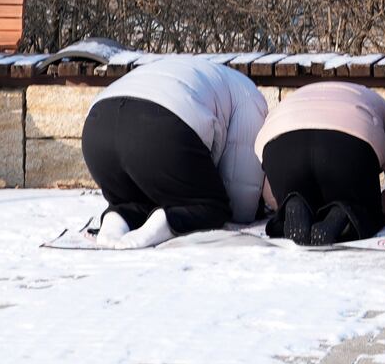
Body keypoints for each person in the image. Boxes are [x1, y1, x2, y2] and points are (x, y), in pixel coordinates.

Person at [81, 55, 268, 249]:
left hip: (97, 127)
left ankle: (116, 220)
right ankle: (163, 224)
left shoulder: (192, 71)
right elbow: (242, 191)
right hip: (160, 124)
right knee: (209, 207)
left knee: (136, 200)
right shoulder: (248, 92)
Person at [255, 80, 385, 246]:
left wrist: (282, 201)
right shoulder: (381, 105)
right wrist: (373, 214)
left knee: (295, 191)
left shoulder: (292, 99)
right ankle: (345, 214)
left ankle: (293, 201)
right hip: (347, 145)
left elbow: (270, 190)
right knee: (362, 213)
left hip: (280, 143)